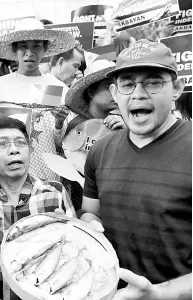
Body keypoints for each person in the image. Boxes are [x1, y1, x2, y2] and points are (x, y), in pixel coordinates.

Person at [81, 40, 192, 299]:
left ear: (176, 89)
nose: (138, 94)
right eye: (127, 84)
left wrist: (159, 294)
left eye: (153, 82)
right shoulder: (100, 151)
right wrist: (88, 226)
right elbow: (90, 212)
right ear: (115, 92)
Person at [0, 117, 76, 300]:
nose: (14, 150)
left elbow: (73, 253)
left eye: (20, 143)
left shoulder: (54, 192)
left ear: (30, 150)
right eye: (2, 144)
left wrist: (66, 234)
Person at [0, 18, 75, 181]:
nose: (29, 52)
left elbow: (63, 144)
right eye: (23, 46)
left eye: (36, 45)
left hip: (46, 176)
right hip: (7, 174)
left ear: (45, 48)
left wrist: (59, 123)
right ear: (14, 49)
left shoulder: (57, 87)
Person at [64, 59, 125, 132]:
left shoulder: (119, 122)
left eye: (117, 86)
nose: (116, 92)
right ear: (91, 92)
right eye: (109, 87)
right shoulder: (77, 126)